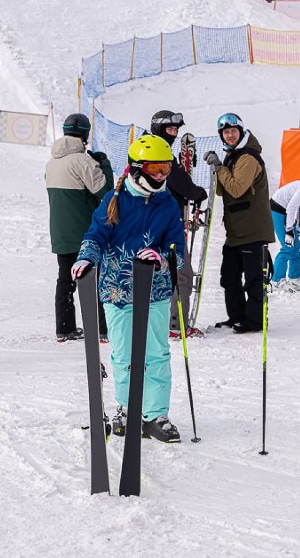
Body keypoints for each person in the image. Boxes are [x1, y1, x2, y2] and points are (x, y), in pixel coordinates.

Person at [72, 135, 186, 443]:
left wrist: (162, 257)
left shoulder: (169, 203)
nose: (161, 176)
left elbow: (179, 248)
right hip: (118, 290)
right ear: (136, 169)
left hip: (155, 290)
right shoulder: (116, 199)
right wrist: (86, 257)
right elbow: (96, 235)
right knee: (124, 354)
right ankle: (125, 408)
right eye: (154, 169)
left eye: (165, 169)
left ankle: (155, 414)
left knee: (157, 353)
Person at [45, 113, 113, 343]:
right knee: (96, 280)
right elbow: (106, 193)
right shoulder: (83, 161)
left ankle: (64, 328)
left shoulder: (52, 161)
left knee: (65, 279)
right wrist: (104, 164)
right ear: (85, 134)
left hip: (61, 234)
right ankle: (102, 329)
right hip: (85, 232)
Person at [203, 113, 274, 334]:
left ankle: (254, 321)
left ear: (241, 131)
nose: (230, 135)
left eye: (233, 131)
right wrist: (218, 168)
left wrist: (220, 168)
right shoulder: (234, 156)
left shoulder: (248, 157)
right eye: (226, 132)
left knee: (253, 279)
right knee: (229, 276)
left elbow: (236, 188)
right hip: (236, 231)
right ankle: (237, 316)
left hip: (253, 230)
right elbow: (223, 190)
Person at [149, 110, 208, 339]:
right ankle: (176, 323)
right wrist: (196, 193)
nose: (173, 134)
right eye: (169, 130)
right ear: (159, 129)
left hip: (152, 222)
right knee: (181, 272)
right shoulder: (160, 155)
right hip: (167, 223)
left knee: (160, 272)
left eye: (175, 130)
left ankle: (160, 320)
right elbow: (177, 180)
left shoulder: (145, 150)